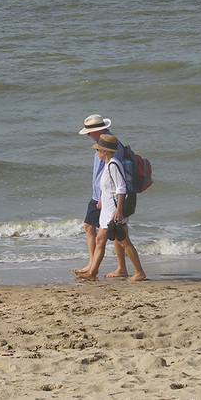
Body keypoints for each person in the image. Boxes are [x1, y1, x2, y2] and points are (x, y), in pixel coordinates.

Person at [75, 133, 146, 282]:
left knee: (124, 242)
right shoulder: (108, 165)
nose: (97, 152)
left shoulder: (114, 165)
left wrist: (118, 210)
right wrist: (102, 199)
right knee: (101, 240)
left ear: (105, 151)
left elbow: (121, 188)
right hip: (108, 210)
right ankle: (92, 272)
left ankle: (139, 273)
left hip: (114, 211)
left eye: (98, 149)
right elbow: (110, 188)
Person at [74, 114, 129, 279]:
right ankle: (100, 266)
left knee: (110, 232)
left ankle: (99, 267)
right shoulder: (104, 142)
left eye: (89, 133)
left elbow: (114, 172)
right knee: (102, 229)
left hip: (104, 196)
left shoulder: (110, 144)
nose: (88, 136)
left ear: (97, 130)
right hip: (100, 194)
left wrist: (102, 198)